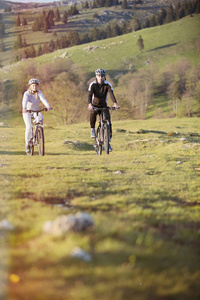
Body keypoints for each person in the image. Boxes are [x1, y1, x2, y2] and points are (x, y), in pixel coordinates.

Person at [88, 68, 120, 151]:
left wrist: (115, 103)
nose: (100, 77)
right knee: (92, 114)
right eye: (99, 76)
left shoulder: (108, 85)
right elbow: (90, 95)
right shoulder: (93, 84)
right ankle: (92, 129)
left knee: (108, 123)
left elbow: (111, 94)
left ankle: (108, 143)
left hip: (104, 105)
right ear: (96, 76)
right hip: (94, 105)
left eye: (102, 76)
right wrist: (90, 104)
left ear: (104, 76)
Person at [22, 78, 52, 154]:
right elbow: (24, 101)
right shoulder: (27, 93)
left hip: (35, 111)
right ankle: (27, 143)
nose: (34, 87)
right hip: (27, 112)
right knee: (29, 127)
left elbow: (43, 99)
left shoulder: (39, 93)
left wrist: (48, 106)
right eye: (33, 86)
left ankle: (39, 134)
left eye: (36, 86)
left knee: (41, 118)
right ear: (30, 86)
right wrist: (24, 108)